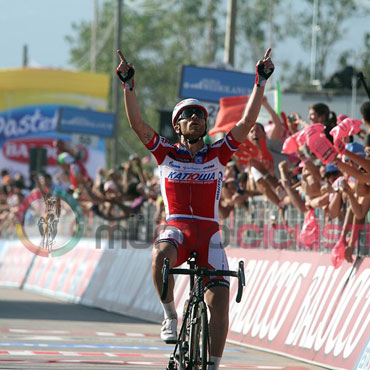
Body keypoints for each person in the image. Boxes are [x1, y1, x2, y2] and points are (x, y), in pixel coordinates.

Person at [116, 47, 274, 370]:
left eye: (199, 115)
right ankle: (170, 314)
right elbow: (136, 123)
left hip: (209, 235)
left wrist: (261, 81)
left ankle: (213, 364)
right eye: (187, 115)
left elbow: (246, 121)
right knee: (161, 254)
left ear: (205, 124)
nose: (194, 118)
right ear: (177, 126)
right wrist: (128, 84)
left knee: (219, 302)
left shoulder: (219, 152)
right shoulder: (165, 153)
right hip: (177, 228)